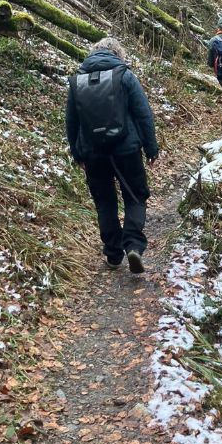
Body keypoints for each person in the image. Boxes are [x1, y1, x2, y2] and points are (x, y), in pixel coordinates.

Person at [65, 37, 159, 273]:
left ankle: (113, 254)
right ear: (118, 53)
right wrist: (151, 148)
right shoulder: (124, 75)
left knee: (104, 202)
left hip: (93, 153)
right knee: (135, 196)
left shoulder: (78, 81)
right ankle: (133, 245)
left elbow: (71, 122)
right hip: (126, 150)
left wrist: (78, 153)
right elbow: (143, 113)